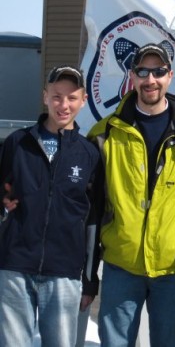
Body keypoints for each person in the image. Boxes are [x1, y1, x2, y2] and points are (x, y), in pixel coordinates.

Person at [87, 43, 175, 347]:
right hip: (122, 264)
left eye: (159, 71)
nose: (151, 79)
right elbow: (84, 200)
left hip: (173, 265)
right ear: (132, 76)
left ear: (170, 76)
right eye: (143, 71)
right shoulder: (104, 133)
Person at [0, 65, 102, 347]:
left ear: (83, 100)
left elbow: (93, 220)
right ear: (45, 97)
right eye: (57, 96)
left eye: (71, 98)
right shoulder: (17, 143)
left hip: (64, 273)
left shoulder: (89, 154)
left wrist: (89, 280)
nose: (63, 105)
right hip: (14, 268)